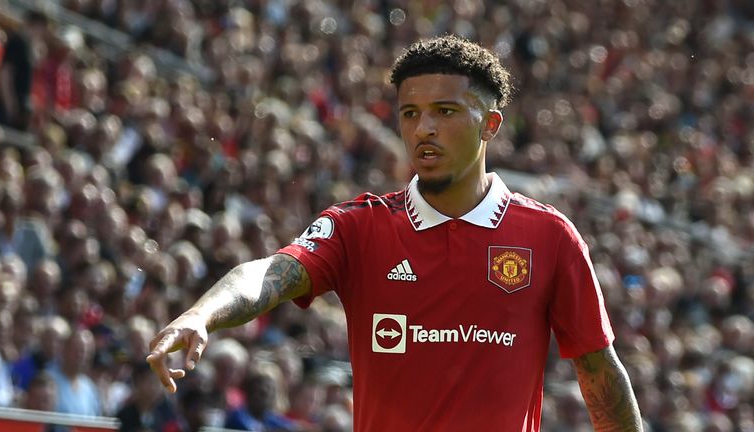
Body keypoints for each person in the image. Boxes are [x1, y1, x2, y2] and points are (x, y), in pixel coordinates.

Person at [147, 35, 643, 431]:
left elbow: (598, 372)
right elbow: (270, 273)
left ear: (490, 124)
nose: (423, 128)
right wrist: (201, 314)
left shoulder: (549, 236)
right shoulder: (358, 226)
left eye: (444, 112)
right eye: (410, 114)